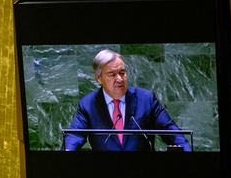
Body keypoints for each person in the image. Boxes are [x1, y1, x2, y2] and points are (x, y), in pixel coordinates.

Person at [63, 49, 191, 152]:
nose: (119, 78)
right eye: (112, 74)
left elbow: (173, 133)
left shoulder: (146, 99)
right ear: (99, 78)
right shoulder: (88, 104)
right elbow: (74, 136)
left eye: (122, 73)